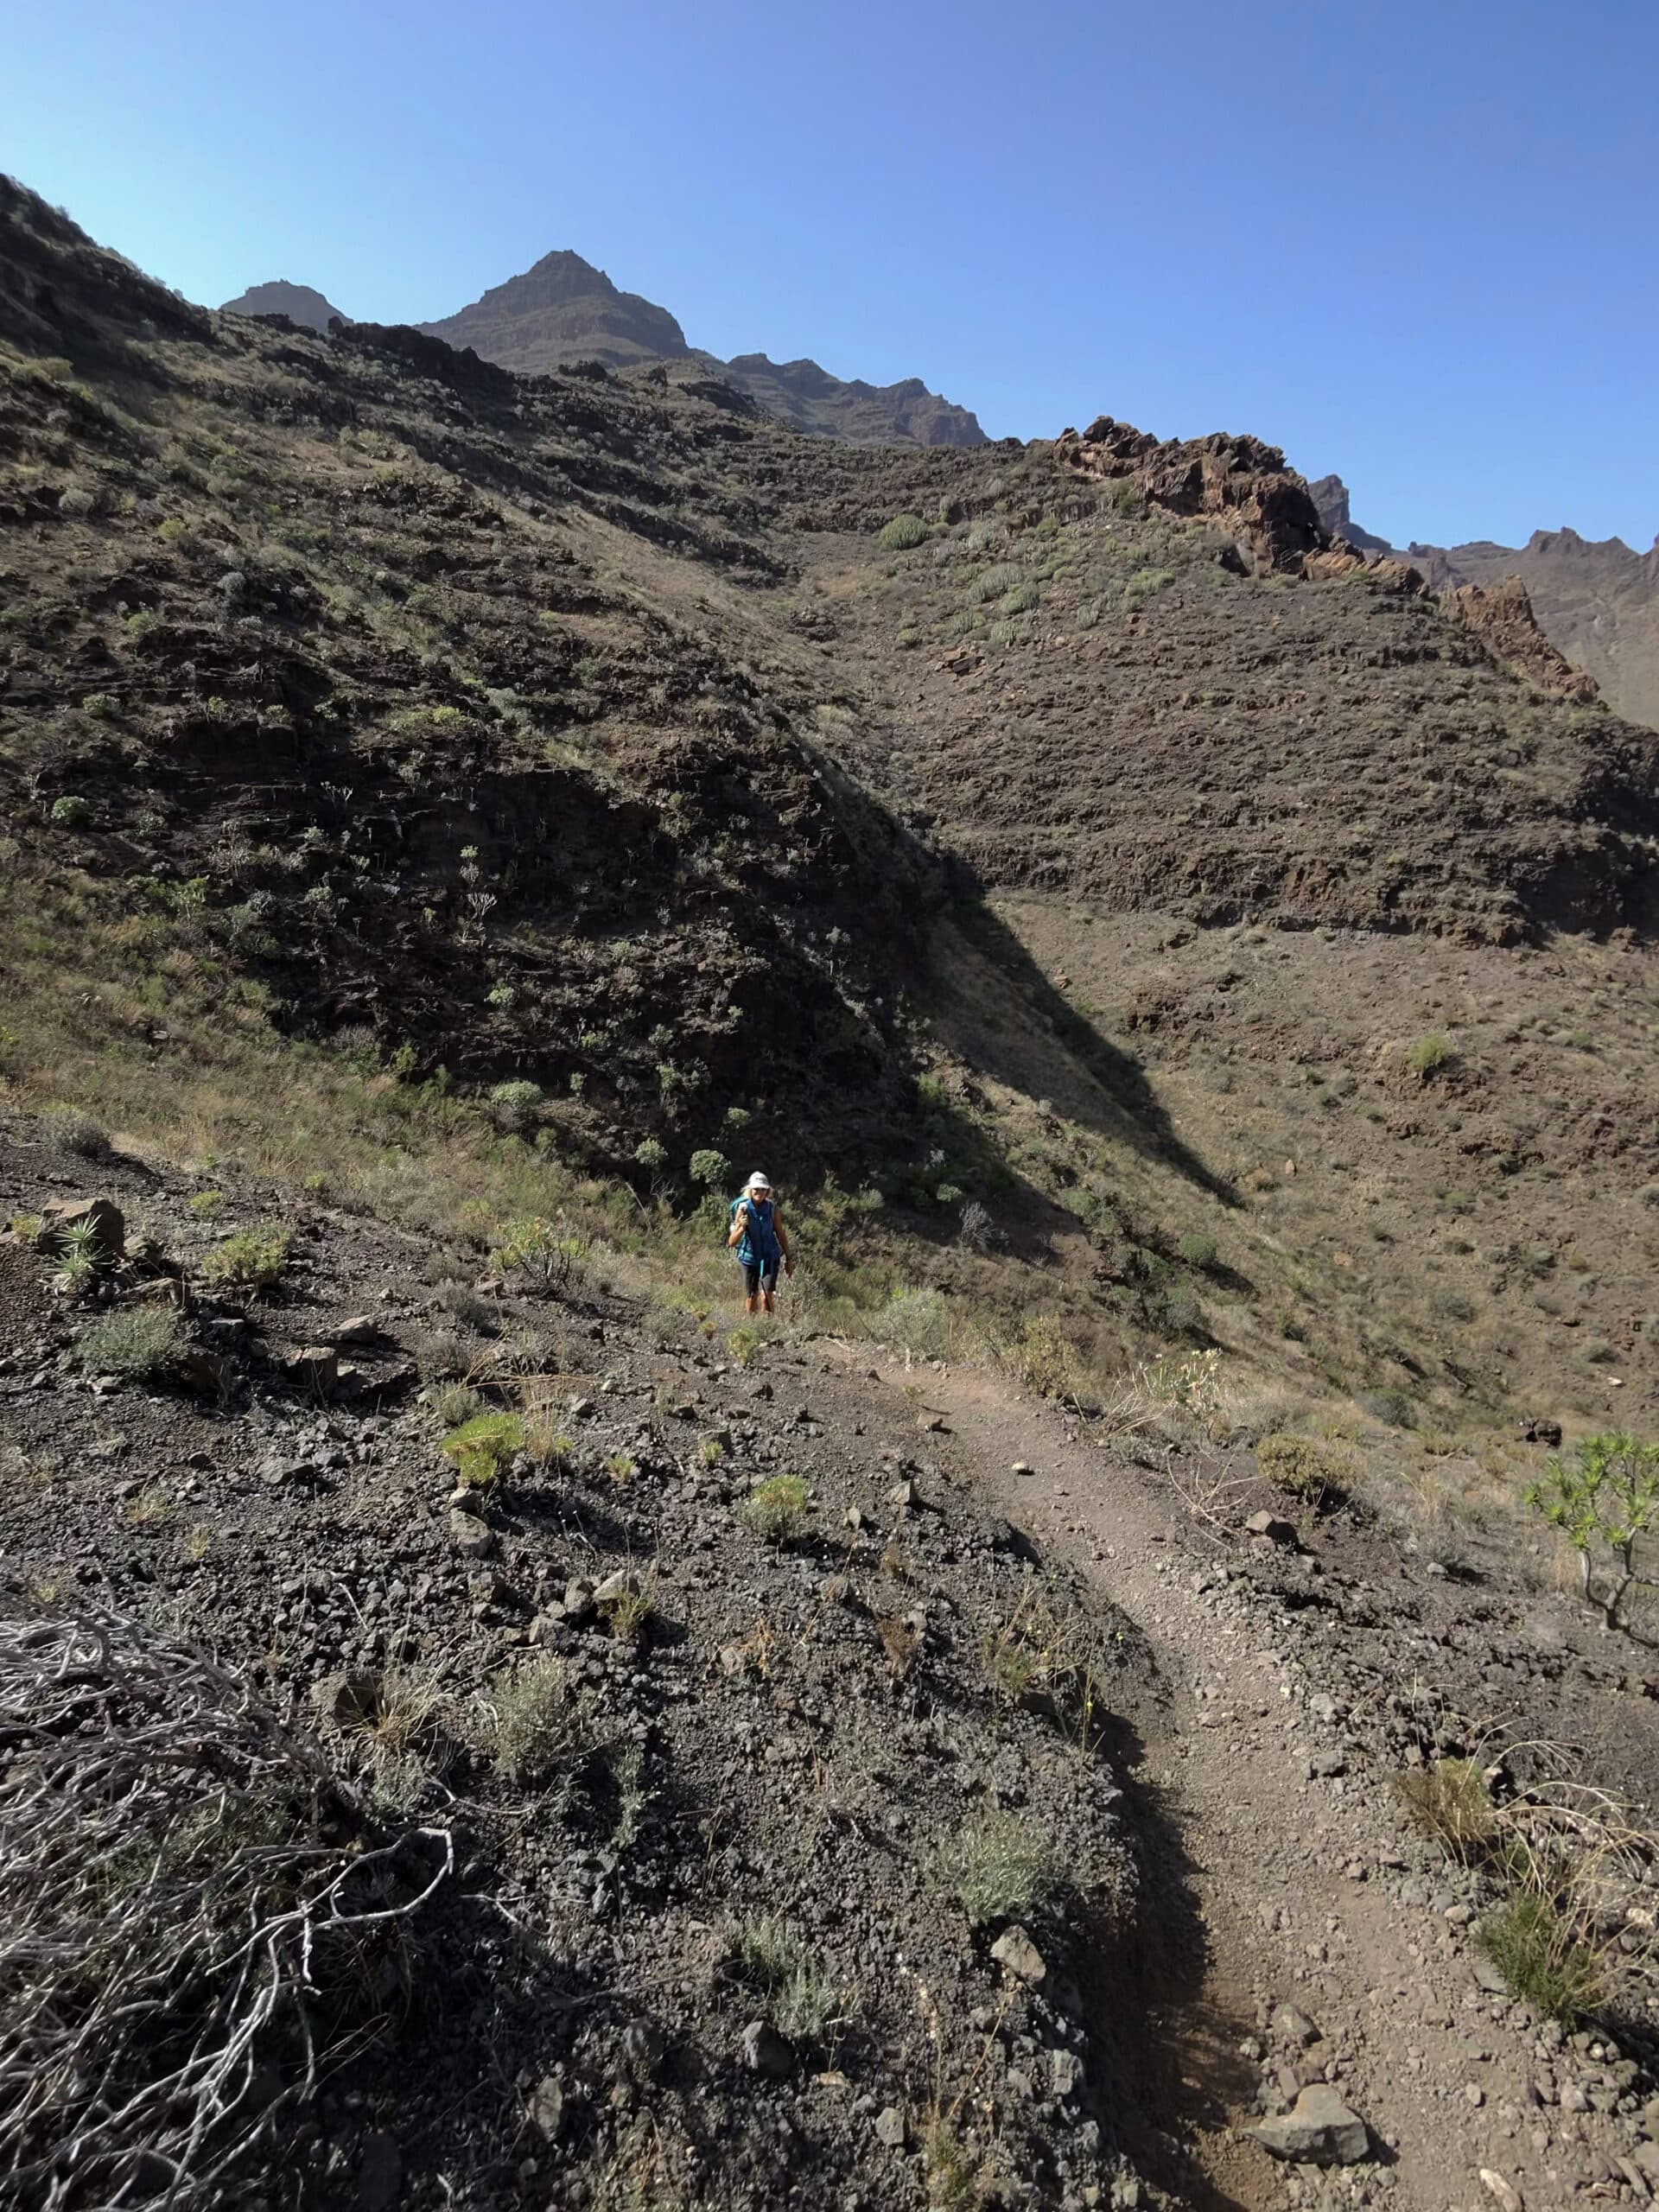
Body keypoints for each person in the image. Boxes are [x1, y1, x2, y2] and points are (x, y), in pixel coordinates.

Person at [727, 1171, 792, 1316]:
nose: (760, 1192)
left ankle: (768, 1329)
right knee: (752, 1295)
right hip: (749, 1258)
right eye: (756, 1189)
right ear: (750, 1190)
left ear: (768, 1191)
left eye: (763, 1189)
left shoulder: (772, 1209)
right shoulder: (743, 1209)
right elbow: (732, 1242)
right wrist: (742, 1228)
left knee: (767, 1295)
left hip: (770, 1257)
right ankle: (753, 1328)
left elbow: (780, 1234)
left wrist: (789, 1258)